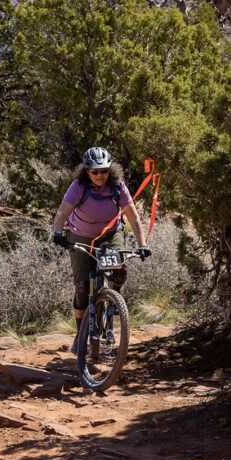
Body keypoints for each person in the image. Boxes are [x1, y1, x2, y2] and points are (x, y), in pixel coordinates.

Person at [52, 146, 152, 352]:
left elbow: (133, 218)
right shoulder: (79, 186)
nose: (100, 175)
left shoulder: (117, 186)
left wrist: (143, 245)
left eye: (104, 171)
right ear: (87, 171)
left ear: (110, 170)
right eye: (95, 171)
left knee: (119, 271)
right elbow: (62, 213)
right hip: (81, 236)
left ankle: (114, 299)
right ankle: (80, 336)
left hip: (110, 234)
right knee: (82, 288)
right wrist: (58, 234)